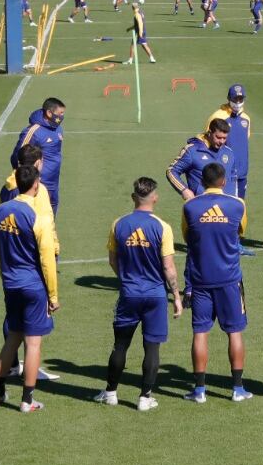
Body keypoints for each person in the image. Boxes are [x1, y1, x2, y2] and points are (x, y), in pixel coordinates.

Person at [96, 177, 183, 411]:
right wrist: (176, 296)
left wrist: (125, 279)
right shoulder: (162, 227)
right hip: (155, 295)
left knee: (120, 345)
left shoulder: (119, 224)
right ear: (155, 197)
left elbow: (113, 260)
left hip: (129, 293)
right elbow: (169, 268)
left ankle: (111, 392)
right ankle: (145, 397)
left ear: (134, 197)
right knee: (152, 347)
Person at [0, 165, 59, 413]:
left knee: (12, 338)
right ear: (36, 185)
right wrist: (53, 294)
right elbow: (47, 258)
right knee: (33, 342)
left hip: (10, 283)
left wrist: (4, 272)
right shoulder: (36, 217)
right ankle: (28, 400)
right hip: (33, 286)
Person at [181, 162, 251, 403]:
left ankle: (199, 390)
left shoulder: (190, 207)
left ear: (201, 181)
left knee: (200, 332)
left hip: (200, 279)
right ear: (223, 182)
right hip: (230, 280)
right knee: (234, 331)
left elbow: (187, 236)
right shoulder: (237, 205)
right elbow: (240, 232)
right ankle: (237, 388)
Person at [0, 143, 61, 382]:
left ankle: (12, 366)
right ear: (37, 164)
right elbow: (42, 223)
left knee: (13, 314)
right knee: (32, 320)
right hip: (32, 261)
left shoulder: (7, 187)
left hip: (11, 263)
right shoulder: (35, 190)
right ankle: (26, 373)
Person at [10, 97, 65, 217]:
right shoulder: (33, 131)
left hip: (53, 184)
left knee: (50, 221)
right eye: (60, 113)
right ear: (49, 113)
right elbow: (17, 156)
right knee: (36, 221)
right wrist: (28, 178)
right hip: (38, 184)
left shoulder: (58, 128)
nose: (62, 117)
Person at [166, 119, 236, 200]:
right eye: (218, 137)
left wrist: (234, 197)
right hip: (201, 205)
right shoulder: (192, 151)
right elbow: (171, 171)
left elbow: (233, 177)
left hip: (226, 206)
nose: (221, 141)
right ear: (209, 133)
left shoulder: (228, 152)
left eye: (224, 138)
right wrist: (184, 190)